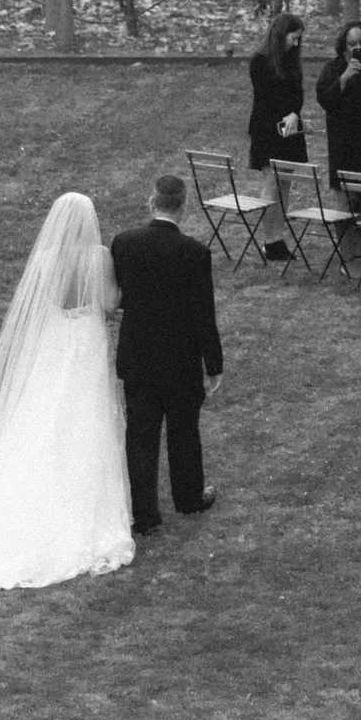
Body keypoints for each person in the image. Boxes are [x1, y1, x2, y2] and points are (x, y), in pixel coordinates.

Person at [0, 189, 135, 589]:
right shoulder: (98, 256)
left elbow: (40, 304)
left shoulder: (47, 258)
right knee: (85, 416)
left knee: (42, 411)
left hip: (53, 344)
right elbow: (109, 302)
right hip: (83, 343)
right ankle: (82, 506)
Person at [110, 167, 225, 530]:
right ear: (183, 207)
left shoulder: (124, 243)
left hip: (139, 356)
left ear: (153, 201)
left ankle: (144, 514)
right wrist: (213, 364)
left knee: (141, 436)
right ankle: (188, 498)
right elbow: (203, 314)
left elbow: (122, 295)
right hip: (180, 360)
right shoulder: (195, 253)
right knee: (183, 431)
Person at [316, 11, 361, 265]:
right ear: (344, 46)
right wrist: (345, 77)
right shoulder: (332, 69)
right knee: (345, 205)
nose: (358, 48)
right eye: (353, 44)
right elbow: (325, 99)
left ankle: (359, 255)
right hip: (343, 146)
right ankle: (347, 258)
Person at [246, 6, 309, 261]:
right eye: (293, 37)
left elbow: (297, 93)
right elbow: (267, 98)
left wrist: (295, 113)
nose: (297, 43)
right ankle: (269, 240)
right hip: (267, 130)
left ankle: (278, 236)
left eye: (299, 38)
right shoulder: (260, 61)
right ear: (281, 34)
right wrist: (285, 117)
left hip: (290, 129)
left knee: (285, 186)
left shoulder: (291, 61)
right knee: (271, 184)